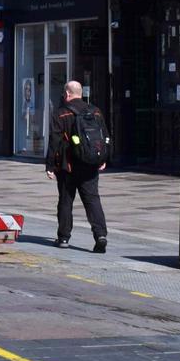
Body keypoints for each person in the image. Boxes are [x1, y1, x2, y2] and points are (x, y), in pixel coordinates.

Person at [45, 80, 108, 253]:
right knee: (93, 200)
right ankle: (100, 235)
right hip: (90, 165)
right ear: (81, 93)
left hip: (68, 166)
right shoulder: (95, 111)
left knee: (66, 201)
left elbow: (55, 141)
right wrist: (103, 158)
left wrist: (50, 165)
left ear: (67, 94)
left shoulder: (61, 114)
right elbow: (104, 137)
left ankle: (64, 237)